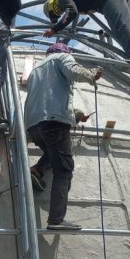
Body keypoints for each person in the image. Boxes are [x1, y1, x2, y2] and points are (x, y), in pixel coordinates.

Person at [24, 43, 102, 231]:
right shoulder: (62, 58)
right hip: (55, 124)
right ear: (65, 52)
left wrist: (75, 115)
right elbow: (73, 70)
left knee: (54, 152)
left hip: (34, 126)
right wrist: (91, 75)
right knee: (64, 170)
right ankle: (56, 220)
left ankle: (37, 170)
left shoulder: (35, 70)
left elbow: (46, 100)